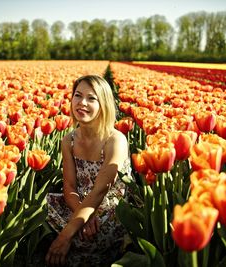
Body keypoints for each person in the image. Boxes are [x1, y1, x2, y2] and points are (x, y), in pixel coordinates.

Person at [45, 75, 131, 266]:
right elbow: (69, 187)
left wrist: (65, 236)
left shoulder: (115, 141)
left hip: (110, 208)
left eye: (92, 98)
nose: (82, 103)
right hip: (79, 203)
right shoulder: (69, 140)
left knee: (83, 238)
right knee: (39, 211)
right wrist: (84, 215)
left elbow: (101, 190)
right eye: (78, 95)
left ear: (104, 104)